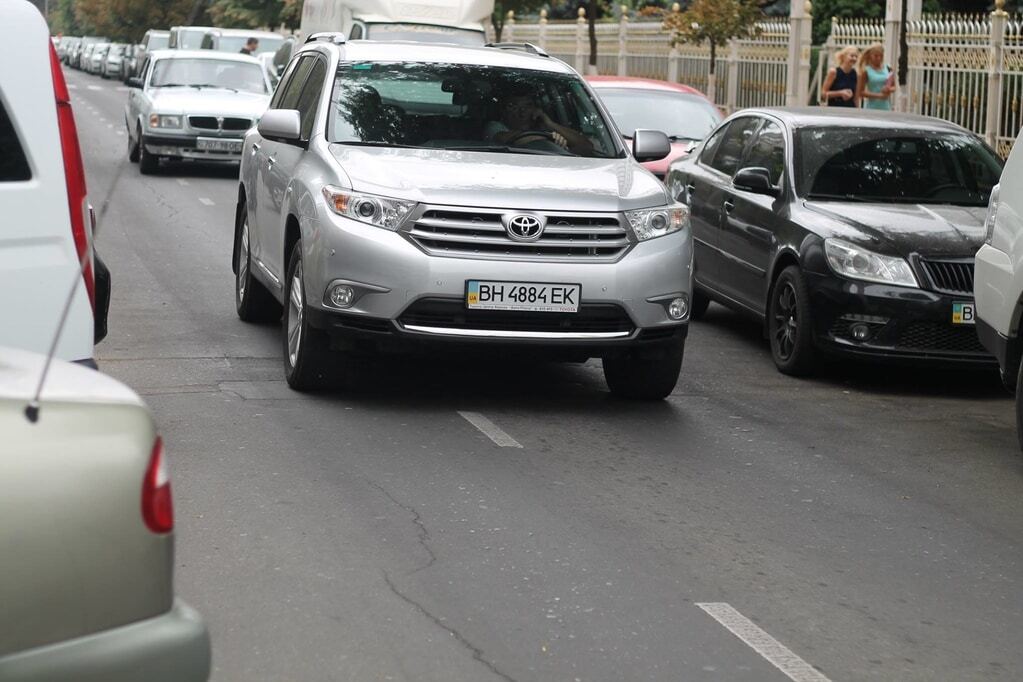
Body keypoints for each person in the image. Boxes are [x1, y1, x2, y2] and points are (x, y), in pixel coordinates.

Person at [485, 90, 592, 155]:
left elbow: (586, 146)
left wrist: (550, 123)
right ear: (503, 110)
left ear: (535, 109)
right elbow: (505, 138)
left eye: (527, 106)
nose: (522, 111)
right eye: (514, 106)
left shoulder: (544, 127)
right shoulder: (495, 126)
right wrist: (552, 140)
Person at [856, 43, 894, 111]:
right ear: (870, 56)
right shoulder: (866, 71)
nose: (879, 58)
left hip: (886, 107)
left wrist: (889, 89)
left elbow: (894, 86)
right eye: (876, 56)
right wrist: (879, 96)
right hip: (871, 107)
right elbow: (861, 92)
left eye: (881, 56)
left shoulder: (888, 68)